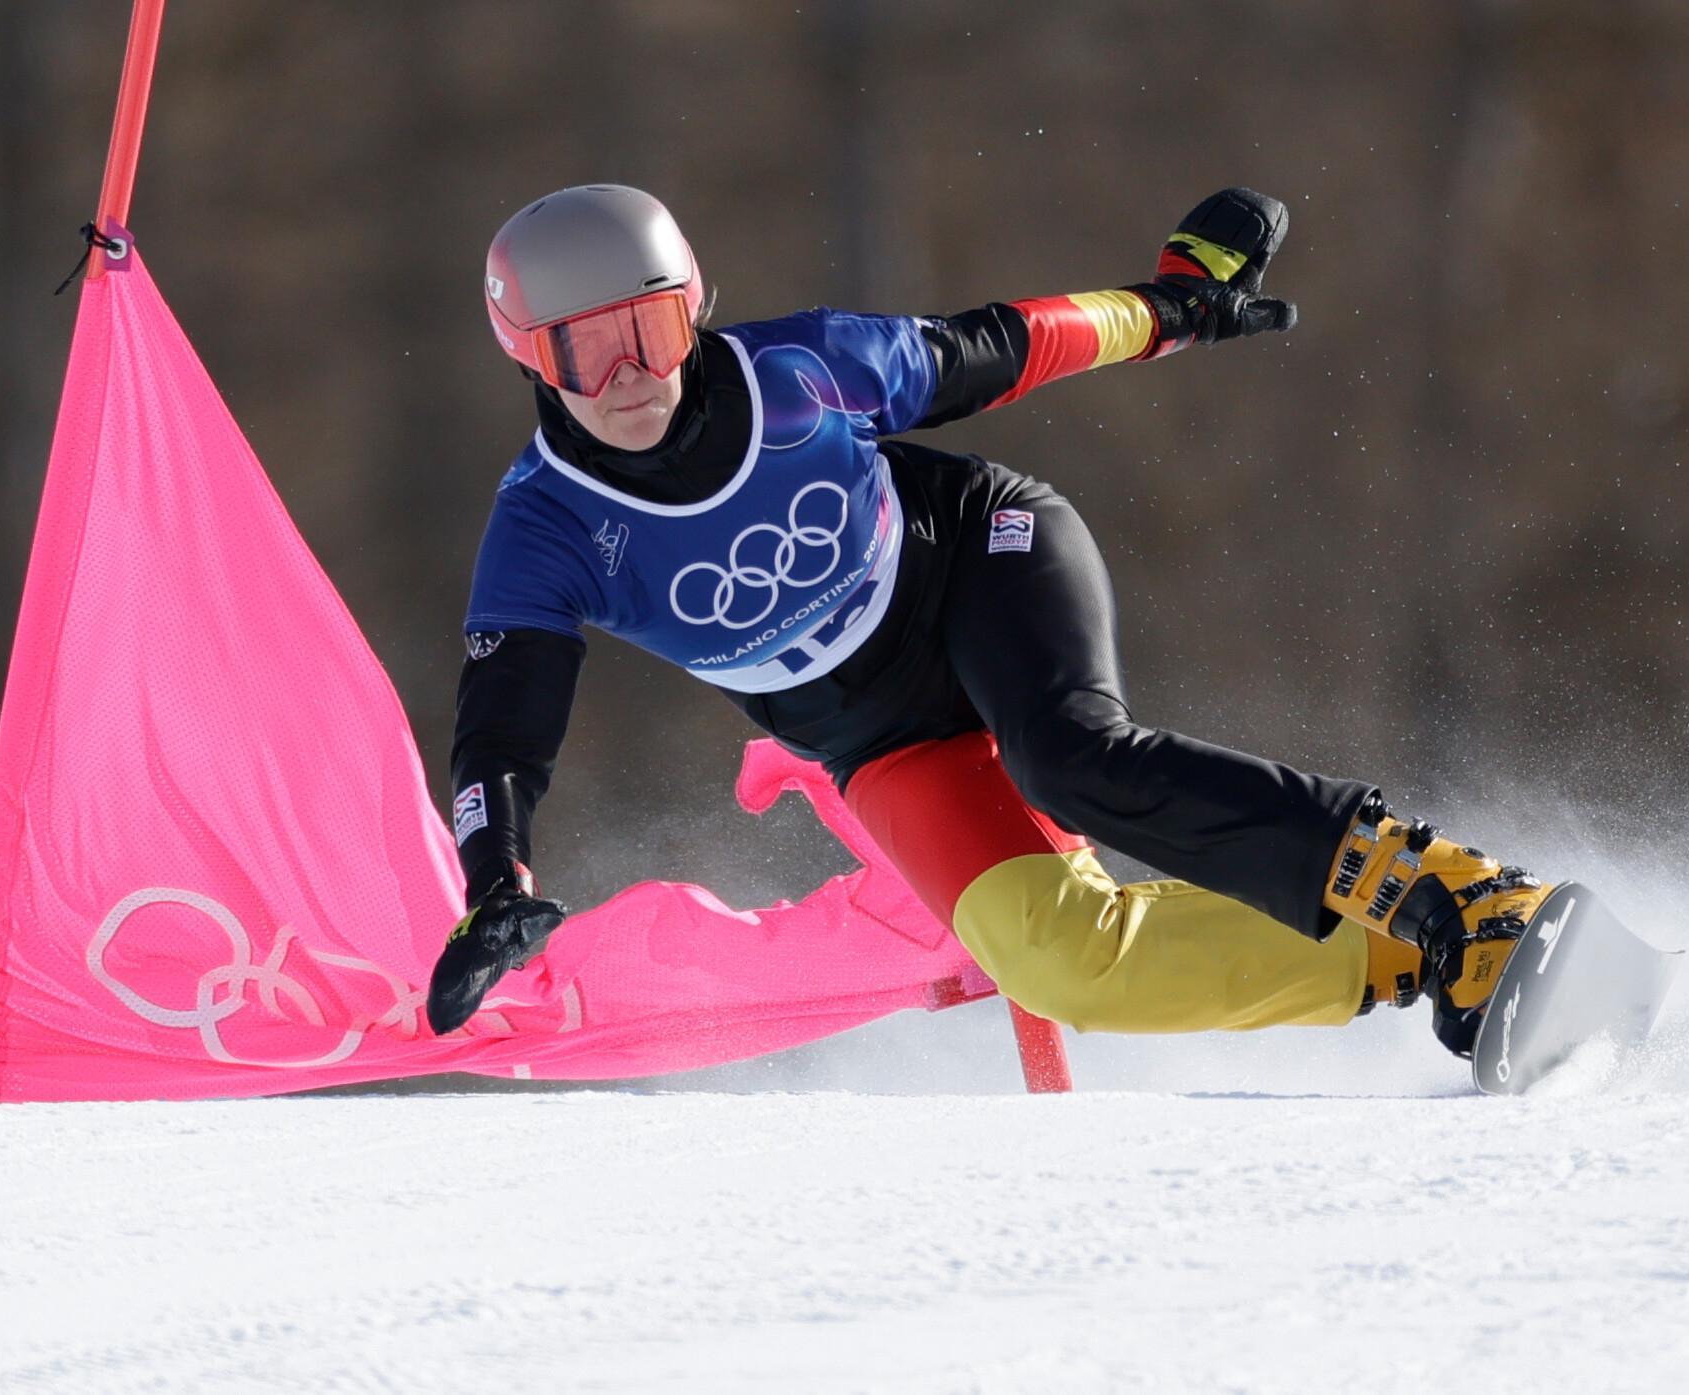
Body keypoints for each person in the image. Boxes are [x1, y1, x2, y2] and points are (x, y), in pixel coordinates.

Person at [427, 182, 1554, 1067]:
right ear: (528, 354)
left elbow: (1007, 345)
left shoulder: (799, 372)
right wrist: (495, 887)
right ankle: (1413, 949)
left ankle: (1459, 888)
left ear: (695, 307)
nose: (632, 376)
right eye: (585, 348)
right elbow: (503, 737)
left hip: (978, 559)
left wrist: (1169, 310)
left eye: (655, 328)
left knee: (1072, 761)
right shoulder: (546, 528)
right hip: (879, 736)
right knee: (1061, 963)